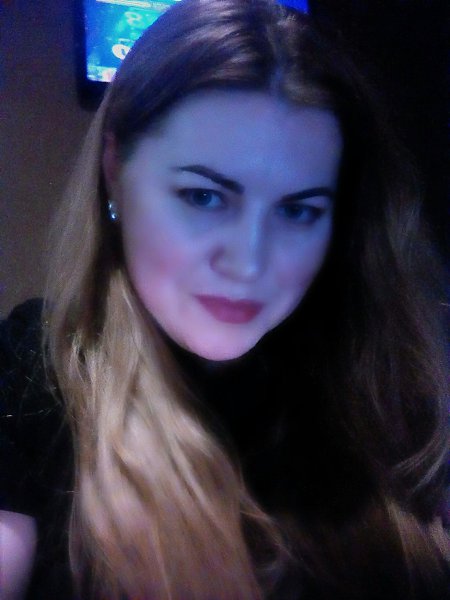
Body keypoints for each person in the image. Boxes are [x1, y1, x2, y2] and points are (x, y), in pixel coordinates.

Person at [1, 0, 448, 598]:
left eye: (298, 210)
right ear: (114, 172)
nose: (249, 262)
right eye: (204, 197)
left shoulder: (378, 381)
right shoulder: (36, 375)